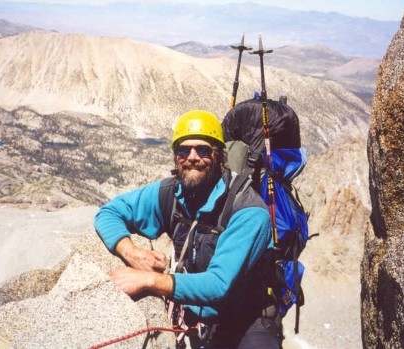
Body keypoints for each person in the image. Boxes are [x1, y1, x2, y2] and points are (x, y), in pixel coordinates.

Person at [94, 110, 282, 349]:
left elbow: (218, 285)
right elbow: (109, 212)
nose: (192, 157)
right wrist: (131, 252)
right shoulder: (172, 194)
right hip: (193, 316)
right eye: (184, 150)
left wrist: (149, 279)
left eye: (203, 150)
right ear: (176, 158)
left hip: (246, 320)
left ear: (219, 156)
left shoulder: (248, 211)